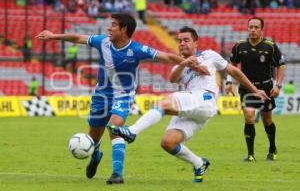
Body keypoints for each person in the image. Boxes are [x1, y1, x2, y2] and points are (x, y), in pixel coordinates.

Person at [36, 13, 208, 184]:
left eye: (113, 25)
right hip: (100, 96)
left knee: (115, 128)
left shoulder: (137, 49)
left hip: (123, 96)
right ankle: (95, 155)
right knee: (94, 136)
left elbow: (167, 57)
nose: (109, 28)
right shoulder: (102, 42)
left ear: (124, 29)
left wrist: (189, 63)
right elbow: (78, 37)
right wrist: (54, 37)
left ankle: (116, 174)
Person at [107, 26, 269, 183]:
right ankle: (199, 163)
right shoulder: (180, 65)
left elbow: (234, 71)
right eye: (179, 41)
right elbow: (172, 78)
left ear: (196, 43)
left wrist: (254, 90)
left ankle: (132, 131)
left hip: (205, 98)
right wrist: (186, 63)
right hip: (193, 108)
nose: (182, 43)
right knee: (168, 142)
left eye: (186, 40)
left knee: (163, 102)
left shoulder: (209, 55)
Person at [226, 17, 285, 162]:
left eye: (256, 27)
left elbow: (281, 65)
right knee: (249, 115)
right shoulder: (240, 46)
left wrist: (277, 85)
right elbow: (231, 65)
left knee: (267, 119)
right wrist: (229, 82)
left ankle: (272, 148)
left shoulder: (270, 46)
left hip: (266, 87)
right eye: (250, 27)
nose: (252, 30)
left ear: (261, 30)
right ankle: (250, 154)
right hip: (247, 88)